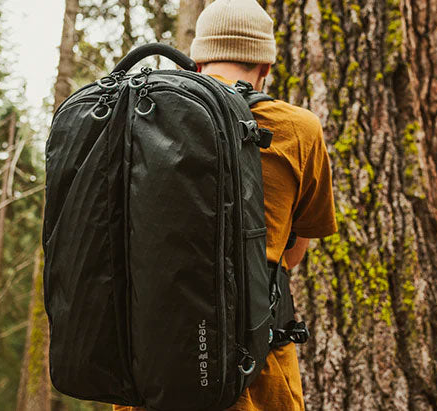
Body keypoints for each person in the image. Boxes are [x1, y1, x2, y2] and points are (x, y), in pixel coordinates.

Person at [115, 0, 337, 409]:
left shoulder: (139, 117)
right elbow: (293, 254)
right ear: (265, 65)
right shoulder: (299, 129)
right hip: (256, 379)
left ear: (196, 61)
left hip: (148, 377)